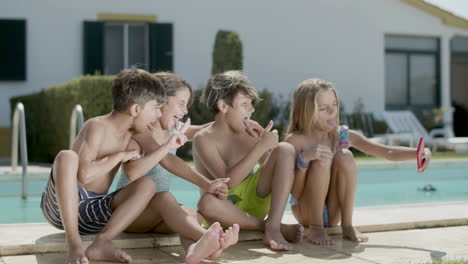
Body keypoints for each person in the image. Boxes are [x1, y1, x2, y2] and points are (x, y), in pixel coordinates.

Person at [41, 69, 167, 264]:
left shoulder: (136, 134)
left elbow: (162, 160)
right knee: (67, 157)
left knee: (147, 185)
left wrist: (170, 145)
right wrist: (120, 155)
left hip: (94, 214)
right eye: (156, 108)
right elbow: (84, 176)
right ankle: (74, 243)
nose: (158, 115)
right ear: (135, 110)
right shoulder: (96, 126)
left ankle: (103, 241)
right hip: (62, 208)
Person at [285, 78, 432, 245]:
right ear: (306, 112)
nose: (332, 111)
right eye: (323, 108)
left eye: (334, 104)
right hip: (306, 212)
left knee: (345, 155)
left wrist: (420, 152)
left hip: (334, 211)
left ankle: (347, 225)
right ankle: (317, 227)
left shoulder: (340, 135)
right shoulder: (296, 141)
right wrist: (304, 160)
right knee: (321, 160)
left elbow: (386, 151)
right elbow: (295, 192)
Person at [116, 72, 239, 264]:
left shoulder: (172, 128)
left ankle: (194, 251)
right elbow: (168, 161)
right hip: (131, 214)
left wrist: (235, 122)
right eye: (181, 103)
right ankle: (212, 239)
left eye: (186, 105)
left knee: (191, 215)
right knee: (165, 198)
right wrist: (208, 184)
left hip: (156, 214)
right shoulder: (141, 131)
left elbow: (204, 130)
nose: (184, 111)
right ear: (161, 99)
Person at [194, 71, 303, 251]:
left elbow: (274, 174)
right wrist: (260, 147)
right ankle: (268, 226)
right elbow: (228, 182)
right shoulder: (203, 138)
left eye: (251, 104)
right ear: (223, 106)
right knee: (206, 202)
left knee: (285, 149)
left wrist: (267, 146)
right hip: (224, 211)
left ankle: (273, 226)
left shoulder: (250, 134)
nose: (251, 110)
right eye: (245, 104)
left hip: (255, 202)